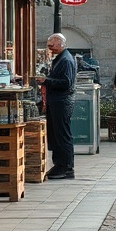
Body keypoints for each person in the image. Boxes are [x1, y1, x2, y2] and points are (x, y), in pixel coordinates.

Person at [39, 32, 78, 180]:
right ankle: (59, 164)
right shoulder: (61, 58)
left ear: (61, 44)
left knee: (62, 134)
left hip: (62, 102)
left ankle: (66, 167)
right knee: (56, 134)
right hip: (57, 101)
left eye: (52, 45)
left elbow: (66, 82)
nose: (49, 48)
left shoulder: (66, 60)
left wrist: (46, 80)